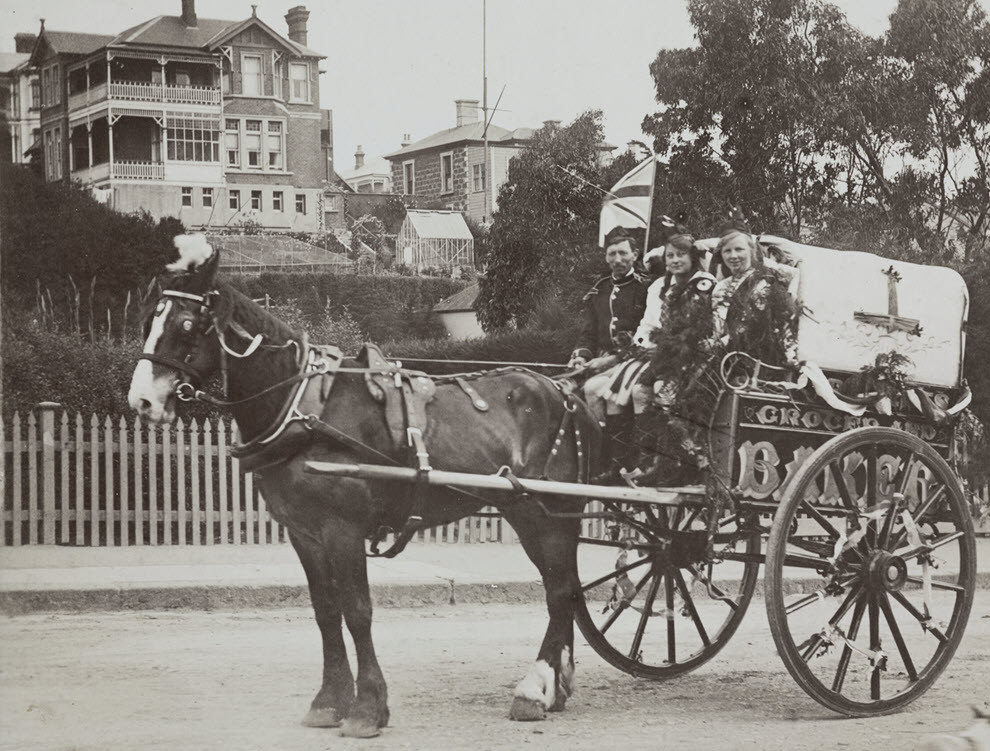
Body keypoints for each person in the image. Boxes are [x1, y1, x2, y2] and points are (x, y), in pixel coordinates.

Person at [625, 233, 717, 484]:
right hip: (663, 353)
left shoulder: (702, 283)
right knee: (639, 392)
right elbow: (647, 325)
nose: (675, 260)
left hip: (692, 354)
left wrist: (664, 347)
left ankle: (680, 459)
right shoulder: (659, 287)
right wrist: (643, 346)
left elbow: (692, 326)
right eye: (670, 256)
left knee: (662, 392)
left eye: (681, 255)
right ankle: (647, 457)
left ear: (692, 257)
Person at [568, 226, 650, 478]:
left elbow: (646, 333)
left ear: (635, 255)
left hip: (636, 358)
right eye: (612, 254)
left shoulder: (645, 289)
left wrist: (613, 360)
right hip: (605, 359)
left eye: (623, 253)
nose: (617, 259)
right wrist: (581, 355)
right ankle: (605, 456)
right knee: (579, 390)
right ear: (606, 258)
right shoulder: (600, 290)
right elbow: (589, 332)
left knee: (597, 389)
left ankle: (622, 458)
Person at [710, 227, 798, 367]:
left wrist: (792, 298)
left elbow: (797, 276)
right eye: (727, 251)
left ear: (751, 251)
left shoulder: (768, 276)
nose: (733, 256)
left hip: (771, 356)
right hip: (734, 359)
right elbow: (718, 330)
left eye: (739, 249)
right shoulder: (721, 288)